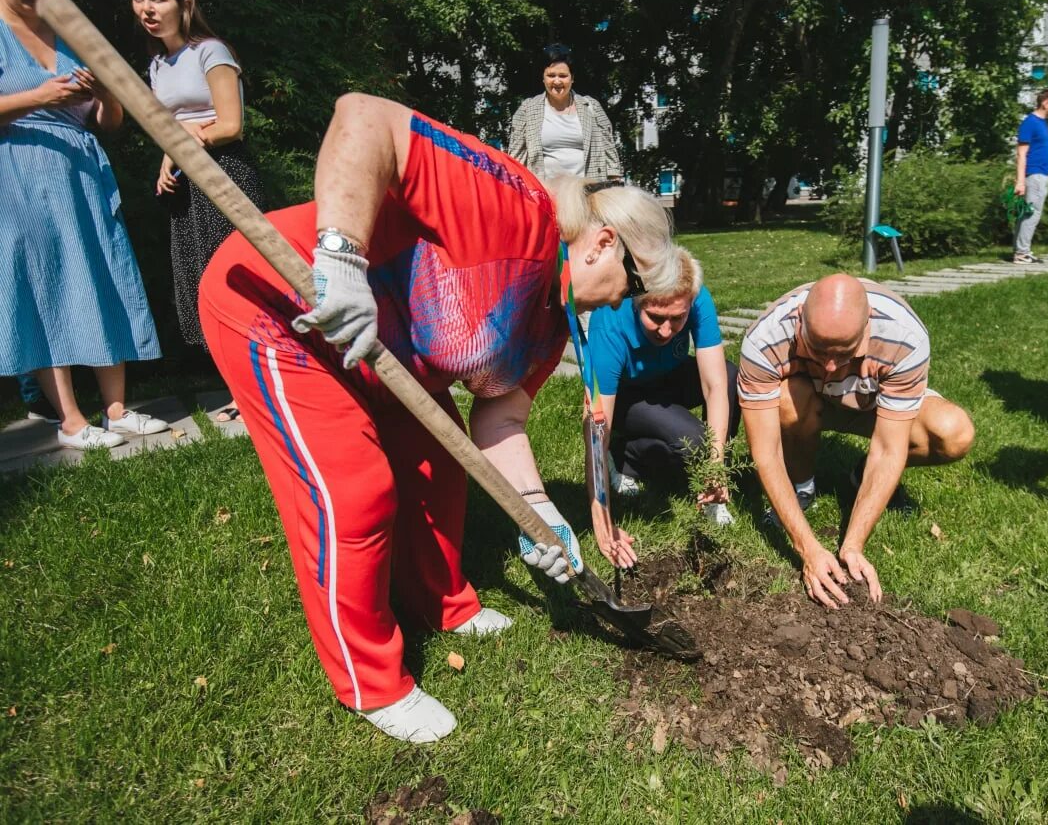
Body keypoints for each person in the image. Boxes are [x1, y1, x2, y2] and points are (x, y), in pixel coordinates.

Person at [199, 93, 685, 744]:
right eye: (628, 288)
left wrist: (537, 509)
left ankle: (443, 605)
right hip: (281, 304)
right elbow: (362, 117)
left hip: (386, 353)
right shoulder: (514, 206)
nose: (622, 306)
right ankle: (371, 683)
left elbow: (502, 418)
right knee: (353, 490)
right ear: (602, 244)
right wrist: (341, 259)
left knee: (441, 465)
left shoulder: (550, 326)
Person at [0, 0, 167, 449]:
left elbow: (106, 123)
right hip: (20, 173)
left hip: (84, 172)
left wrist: (108, 93)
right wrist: (42, 96)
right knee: (46, 282)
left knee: (103, 274)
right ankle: (70, 420)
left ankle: (117, 411)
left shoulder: (69, 33)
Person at [738, 275, 975, 609]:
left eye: (846, 352)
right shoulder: (765, 337)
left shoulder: (903, 335)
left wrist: (853, 545)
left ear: (868, 326)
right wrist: (808, 548)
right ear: (800, 321)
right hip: (808, 402)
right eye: (818, 350)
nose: (832, 367)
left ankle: (860, 477)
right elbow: (765, 451)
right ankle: (802, 487)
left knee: (955, 433)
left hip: (874, 406)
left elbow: (889, 449)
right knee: (786, 401)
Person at [130, 0, 265, 423]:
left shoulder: (211, 51)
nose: (147, 9)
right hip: (188, 184)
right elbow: (171, 132)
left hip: (225, 176)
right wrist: (168, 159)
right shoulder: (156, 66)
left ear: (183, 1)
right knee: (202, 290)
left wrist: (184, 138)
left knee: (238, 285)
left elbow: (230, 125)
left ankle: (259, 390)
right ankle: (239, 391)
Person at [581, 243, 740, 527]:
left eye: (677, 318)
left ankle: (714, 484)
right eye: (655, 317)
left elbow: (715, 386)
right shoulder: (609, 323)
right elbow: (597, 421)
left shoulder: (696, 297)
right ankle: (624, 455)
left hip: (668, 376)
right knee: (691, 441)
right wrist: (600, 510)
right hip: (627, 396)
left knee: (730, 377)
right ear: (637, 301)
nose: (666, 330)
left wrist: (716, 465)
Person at [506, 43, 622, 182]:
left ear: (572, 78)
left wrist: (615, 182)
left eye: (563, 75)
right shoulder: (526, 109)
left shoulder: (592, 107)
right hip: (545, 195)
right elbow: (515, 160)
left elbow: (610, 155)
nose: (557, 81)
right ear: (543, 78)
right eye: (551, 75)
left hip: (588, 194)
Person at [1012, 88, 1048, 265]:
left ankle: (1020, 250)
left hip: (1042, 174)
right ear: (1045, 103)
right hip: (1034, 174)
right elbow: (1021, 154)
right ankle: (1022, 253)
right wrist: (1020, 181)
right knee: (1031, 214)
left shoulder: (1043, 123)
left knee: (1028, 213)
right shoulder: (1030, 123)